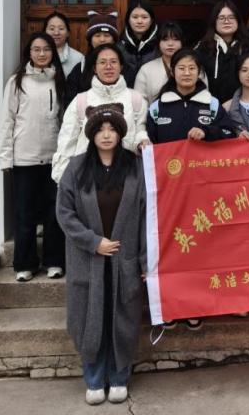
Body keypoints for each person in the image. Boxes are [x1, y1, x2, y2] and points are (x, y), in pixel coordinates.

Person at [56, 105, 146, 405]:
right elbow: (64, 213)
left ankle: (119, 376)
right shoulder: (76, 167)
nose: (106, 135)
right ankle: (94, 377)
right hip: (88, 259)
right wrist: (94, 242)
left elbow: (147, 216)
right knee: (90, 318)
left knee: (122, 318)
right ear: (92, 134)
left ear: (120, 134)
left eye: (112, 130)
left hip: (125, 258)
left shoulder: (135, 167)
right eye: (100, 130)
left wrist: (145, 261)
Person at [0, 32, 68, 282]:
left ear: (53, 53)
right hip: (24, 158)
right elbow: (7, 121)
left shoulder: (59, 80)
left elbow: (64, 119)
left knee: (54, 212)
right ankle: (24, 264)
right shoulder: (17, 82)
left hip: (53, 158)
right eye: (36, 49)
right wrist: (5, 157)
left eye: (46, 49)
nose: (41, 54)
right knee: (24, 213)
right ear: (29, 52)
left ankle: (54, 261)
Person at [52, 43, 149, 184]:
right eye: (102, 62)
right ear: (94, 68)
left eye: (113, 62)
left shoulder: (136, 99)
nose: (108, 67)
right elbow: (66, 143)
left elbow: (141, 131)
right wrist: (63, 181)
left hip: (126, 176)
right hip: (87, 177)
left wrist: (142, 141)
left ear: (121, 66)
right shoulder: (81, 100)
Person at [146, 49, 237, 145]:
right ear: (172, 72)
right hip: (169, 156)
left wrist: (206, 132)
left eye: (192, 68)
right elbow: (149, 144)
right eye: (181, 68)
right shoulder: (157, 107)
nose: (187, 73)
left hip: (201, 155)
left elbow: (230, 133)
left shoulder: (212, 104)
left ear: (199, 72)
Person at [195, 0, 249, 101]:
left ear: (238, 20)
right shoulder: (202, 49)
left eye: (231, 17)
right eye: (221, 18)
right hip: (210, 106)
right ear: (214, 21)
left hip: (243, 107)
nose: (226, 21)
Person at [64, 11, 121, 103]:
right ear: (90, 40)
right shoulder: (81, 68)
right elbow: (71, 101)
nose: (102, 39)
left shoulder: (122, 65)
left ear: (114, 40)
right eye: (97, 35)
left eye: (106, 35)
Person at [133, 20, 189, 104]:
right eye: (165, 39)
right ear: (158, 42)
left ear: (182, 42)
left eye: (175, 39)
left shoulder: (193, 67)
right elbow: (139, 102)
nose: (170, 44)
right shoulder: (146, 69)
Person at [120, 0, 159, 87]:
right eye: (135, 17)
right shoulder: (119, 46)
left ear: (152, 20)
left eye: (144, 17)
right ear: (128, 19)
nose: (139, 21)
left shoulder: (160, 44)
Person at [44, 11, 84, 78]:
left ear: (68, 33)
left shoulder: (78, 58)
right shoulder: (35, 55)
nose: (56, 33)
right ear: (45, 32)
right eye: (52, 29)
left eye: (61, 28)